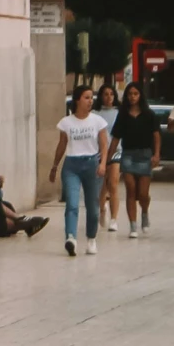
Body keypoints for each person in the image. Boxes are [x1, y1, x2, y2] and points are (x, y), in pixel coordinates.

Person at [48, 85, 112, 256]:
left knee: (92, 207)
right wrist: (54, 166)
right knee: (72, 203)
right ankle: (71, 238)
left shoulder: (97, 121)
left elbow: (104, 145)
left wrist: (103, 163)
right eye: (86, 97)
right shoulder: (66, 123)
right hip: (72, 166)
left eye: (91, 97)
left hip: (92, 164)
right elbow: (62, 145)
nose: (90, 101)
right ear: (77, 100)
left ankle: (91, 239)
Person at [111, 81, 163, 238]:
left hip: (145, 155)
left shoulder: (149, 115)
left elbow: (156, 136)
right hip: (128, 155)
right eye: (129, 94)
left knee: (142, 193)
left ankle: (145, 212)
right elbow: (116, 138)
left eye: (135, 93)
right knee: (130, 190)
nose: (132, 97)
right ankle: (133, 226)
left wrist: (156, 155)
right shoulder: (123, 115)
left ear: (140, 95)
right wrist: (108, 157)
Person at [97, 83, 122, 232]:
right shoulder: (95, 113)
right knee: (102, 186)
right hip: (98, 153)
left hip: (116, 151)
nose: (109, 97)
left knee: (113, 184)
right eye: (105, 94)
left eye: (111, 94)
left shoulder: (119, 112)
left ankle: (114, 219)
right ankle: (102, 209)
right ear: (101, 96)